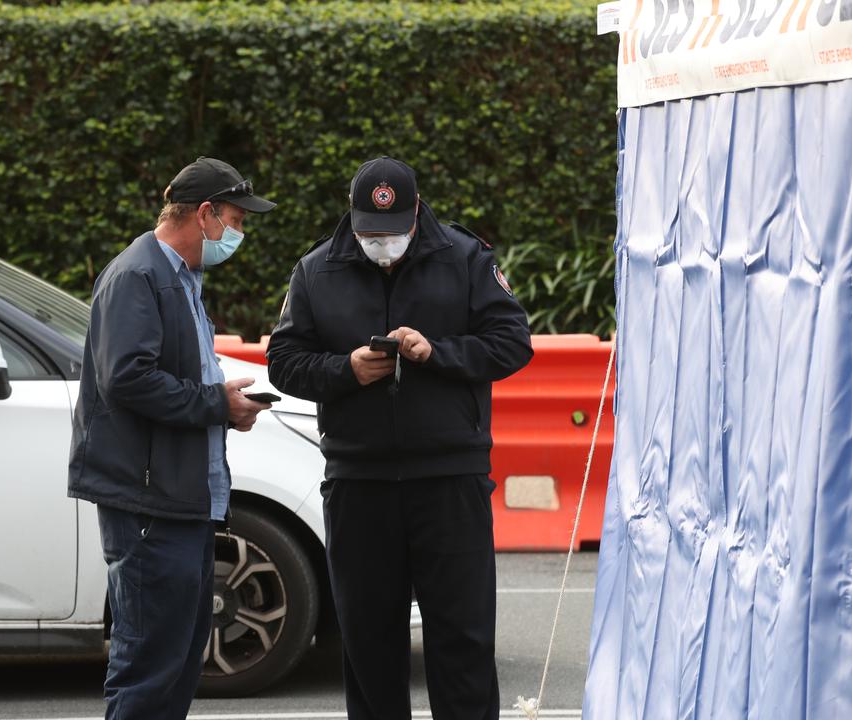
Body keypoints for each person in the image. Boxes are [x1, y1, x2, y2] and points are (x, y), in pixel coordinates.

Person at [266, 157, 533, 720]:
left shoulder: (465, 258)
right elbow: (284, 362)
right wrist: (346, 370)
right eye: (368, 233)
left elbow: (511, 343)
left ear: (416, 213)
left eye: (390, 234)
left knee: (462, 641)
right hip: (359, 482)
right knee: (368, 644)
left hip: (449, 479)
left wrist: (437, 353)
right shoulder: (316, 269)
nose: (379, 244)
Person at [68, 157, 276, 719]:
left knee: (179, 663)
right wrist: (217, 404)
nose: (239, 232)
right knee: (149, 668)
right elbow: (127, 378)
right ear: (205, 214)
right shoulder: (139, 274)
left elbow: (170, 372)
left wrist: (221, 398)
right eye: (235, 219)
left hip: (178, 500)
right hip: (148, 504)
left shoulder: (181, 276)